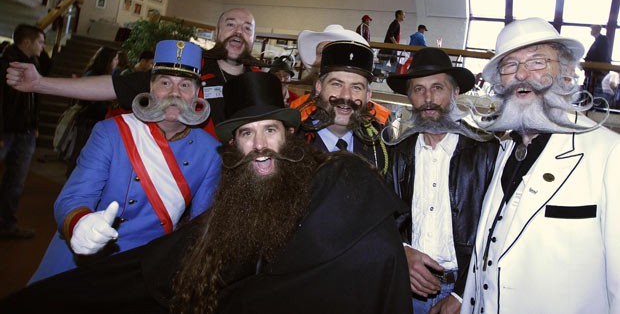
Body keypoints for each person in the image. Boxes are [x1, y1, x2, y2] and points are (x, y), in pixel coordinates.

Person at [0, 72, 413, 314]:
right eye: (246, 134)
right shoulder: (237, 193)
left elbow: (373, 266)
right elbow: (186, 250)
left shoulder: (342, 181)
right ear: (232, 146)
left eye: (270, 130)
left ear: (290, 135)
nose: (260, 145)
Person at [460, 17, 620, 313]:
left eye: (537, 62)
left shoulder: (610, 155)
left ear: (568, 73)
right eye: (510, 66)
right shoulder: (505, 148)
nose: (522, 75)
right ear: (499, 83)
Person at [28, 39, 222, 283]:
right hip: (80, 258)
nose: (174, 93)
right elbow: (73, 197)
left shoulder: (211, 151)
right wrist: (80, 224)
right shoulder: (111, 132)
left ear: (196, 92)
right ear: (151, 88)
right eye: (165, 83)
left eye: (185, 84)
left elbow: (199, 226)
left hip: (139, 268)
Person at [5, 8, 259, 131]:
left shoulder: (261, 83)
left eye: (247, 28)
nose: (238, 32)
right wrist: (40, 83)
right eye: (231, 24)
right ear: (217, 32)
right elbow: (115, 86)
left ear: (254, 37)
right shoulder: (188, 65)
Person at [383, 47, 498, 314]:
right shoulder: (396, 153)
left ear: (455, 92)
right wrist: (402, 250)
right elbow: (383, 218)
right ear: (409, 97)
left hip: (465, 291)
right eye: (418, 89)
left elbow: (494, 231)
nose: (428, 99)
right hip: (405, 285)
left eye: (437, 87)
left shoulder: (486, 152)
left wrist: (461, 293)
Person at [296, 40, 390, 174]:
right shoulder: (293, 140)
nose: (346, 96)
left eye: (356, 87)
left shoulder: (380, 145)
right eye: (336, 84)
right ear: (318, 87)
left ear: (368, 95)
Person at [0, 24, 46, 239]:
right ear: (27, 42)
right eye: (40, 42)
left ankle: (6, 224)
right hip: (6, 131)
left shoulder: (34, 64)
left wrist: (34, 124)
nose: (43, 46)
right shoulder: (6, 64)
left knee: (16, 182)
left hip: (25, 131)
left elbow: (35, 99)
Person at [66, 46, 120, 174]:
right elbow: (88, 100)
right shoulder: (94, 76)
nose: (117, 61)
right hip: (89, 121)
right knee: (80, 154)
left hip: (95, 121)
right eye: (115, 58)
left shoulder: (105, 75)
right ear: (108, 60)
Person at [583, 24, 611, 95]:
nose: (591, 31)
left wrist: (591, 62)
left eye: (592, 29)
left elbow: (602, 55)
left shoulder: (602, 40)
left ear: (597, 30)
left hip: (597, 70)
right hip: (593, 70)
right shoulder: (598, 40)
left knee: (595, 90)